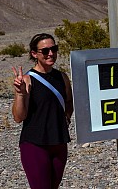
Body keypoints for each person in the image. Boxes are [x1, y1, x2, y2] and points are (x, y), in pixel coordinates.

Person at [12, 33, 73, 189]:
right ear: (34, 54)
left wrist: (65, 119)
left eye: (54, 49)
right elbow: (19, 117)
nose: (51, 54)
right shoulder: (27, 80)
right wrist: (20, 93)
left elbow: (68, 102)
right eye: (45, 51)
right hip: (35, 144)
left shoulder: (62, 77)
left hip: (59, 142)